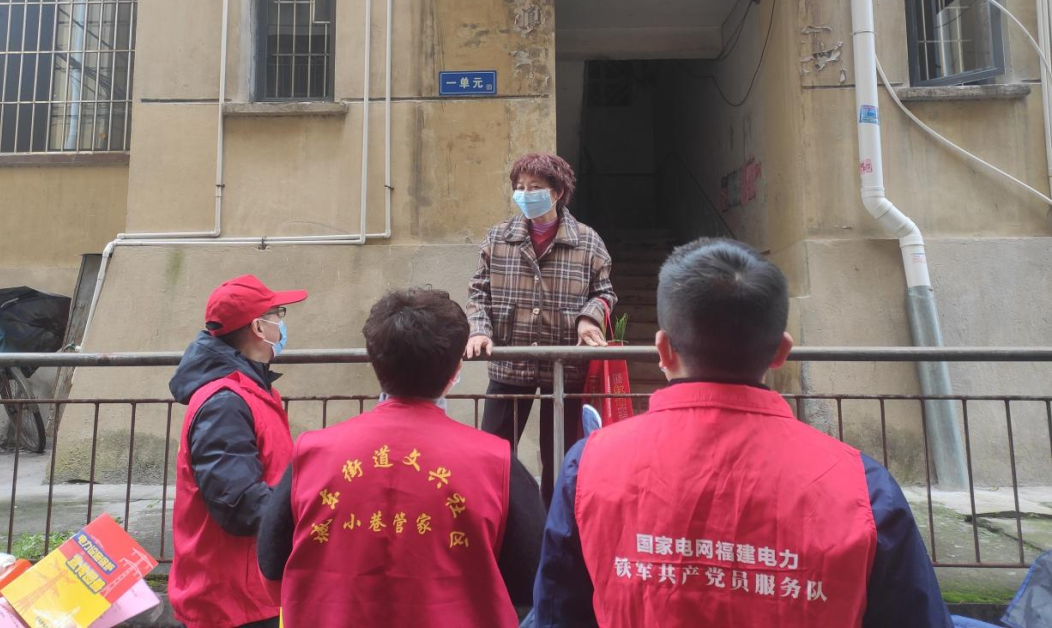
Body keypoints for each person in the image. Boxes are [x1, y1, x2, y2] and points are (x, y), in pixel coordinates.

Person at [533, 239, 952, 627]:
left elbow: (556, 615)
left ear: (663, 349)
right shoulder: (866, 489)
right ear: (781, 351)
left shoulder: (588, 466)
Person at [257, 288, 547, 627]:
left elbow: (272, 570)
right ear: (456, 368)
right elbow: (531, 582)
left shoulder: (312, 454)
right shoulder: (496, 463)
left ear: (374, 360)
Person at [466, 152, 617, 506]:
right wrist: (479, 330)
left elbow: (604, 292)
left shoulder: (587, 241)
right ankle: (500, 520)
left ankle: (554, 525)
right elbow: (478, 292)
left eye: (535, 187)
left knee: (560, 459)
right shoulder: (499, 238)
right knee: (494, 454)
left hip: (563, 366)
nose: (525, 194)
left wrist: (589, 318)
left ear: (557, 192)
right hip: (509, 362)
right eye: (520, 187)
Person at [168, 274, 307, 628]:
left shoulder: (250, 390)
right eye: (278, 315)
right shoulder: (226, 403)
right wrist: (310, 510)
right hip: (231, 599)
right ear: (259, 328)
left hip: (248, 589)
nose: (282, 324)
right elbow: (240, 504)